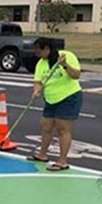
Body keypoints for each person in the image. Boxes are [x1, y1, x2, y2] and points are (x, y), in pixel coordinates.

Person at [27, 37, 83, 171]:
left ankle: (62, 161)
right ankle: (42, 154)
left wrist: (64, 65)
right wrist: (36, 91)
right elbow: (38, 81)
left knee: (63, 129)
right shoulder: (41, 63)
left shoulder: (67, 56)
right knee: (45, 126)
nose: (36, 54)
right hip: (51, 99)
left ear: (47, 49)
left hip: (69, 97)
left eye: (38, 51)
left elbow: (76, 75)